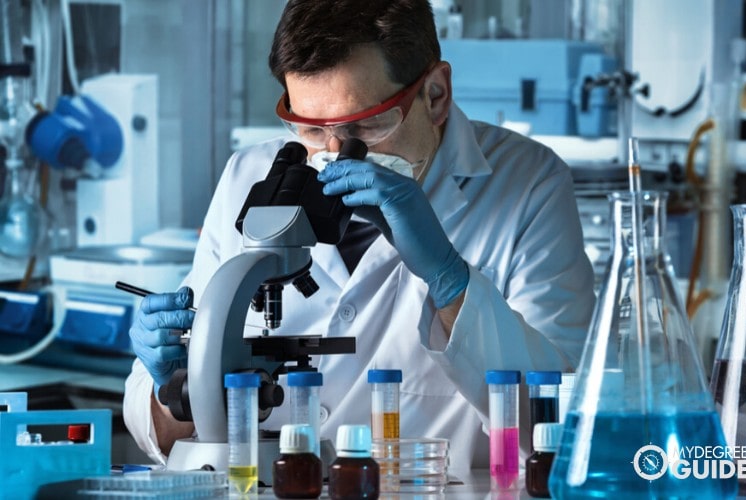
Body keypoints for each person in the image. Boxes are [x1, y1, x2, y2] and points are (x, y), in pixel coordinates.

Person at [123, 0, 595, 477]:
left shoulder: (529, 181)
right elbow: (161, 432)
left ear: (435, 94)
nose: (334, 157)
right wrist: (180, 389)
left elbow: (564, 424)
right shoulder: (249, 177)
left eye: (365, 126)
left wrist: (450, 281)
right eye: (309, 128)